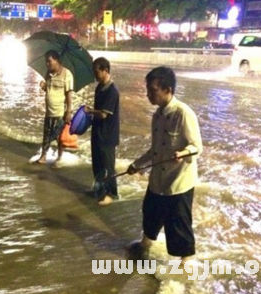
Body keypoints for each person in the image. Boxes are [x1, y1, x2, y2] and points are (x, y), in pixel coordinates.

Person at [126, 66, 202, 264]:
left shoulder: (184, 114)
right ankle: (145, 245)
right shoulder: (157, 115)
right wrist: (137, 165)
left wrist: (183, 153)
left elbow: (197, 147)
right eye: (148, 90)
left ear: (168, 89)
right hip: (158, 179)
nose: (148, 94)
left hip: (179, 181)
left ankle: (186, 262)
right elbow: (154, 150)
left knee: (179, 224)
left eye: (153, 90)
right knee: (150, 212)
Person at [84, 57, 120, 205]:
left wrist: (90, 111)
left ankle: (112, 194)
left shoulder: (112, 91)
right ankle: (99, 190)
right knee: (97, 163)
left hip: (108, 134)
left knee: (107, 165)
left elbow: (104, 114)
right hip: (97, 132)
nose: (95, 75)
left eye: (97, 72)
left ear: (106, 71)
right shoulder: (99, 88)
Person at [34, 49, 73, 167]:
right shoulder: (48, 73)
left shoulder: (67, 74)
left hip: (60, 111)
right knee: (46, 134)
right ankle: (43, 156)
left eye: (49, 61)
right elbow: (49, 89)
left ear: (56, 60)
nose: (47, 64)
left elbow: (69, 94)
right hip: (49, 111)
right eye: (46, 62)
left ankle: (59, 158)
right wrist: (44, 86)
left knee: (59, 137)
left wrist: (69, 111)